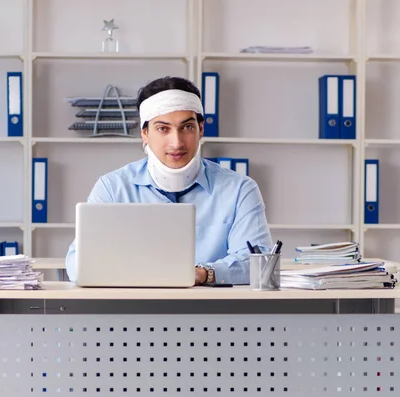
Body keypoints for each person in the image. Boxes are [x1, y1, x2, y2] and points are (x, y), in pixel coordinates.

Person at [65, 76, 272, 285]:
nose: (177, 142)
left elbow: (259, 264)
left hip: (212, 312)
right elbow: (77, 264)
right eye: (163, 128)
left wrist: (204, 273)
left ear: (201, 129)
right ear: (145, 134)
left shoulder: (239, 189)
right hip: (133, 309)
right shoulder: (112, 188)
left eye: (187, 127)